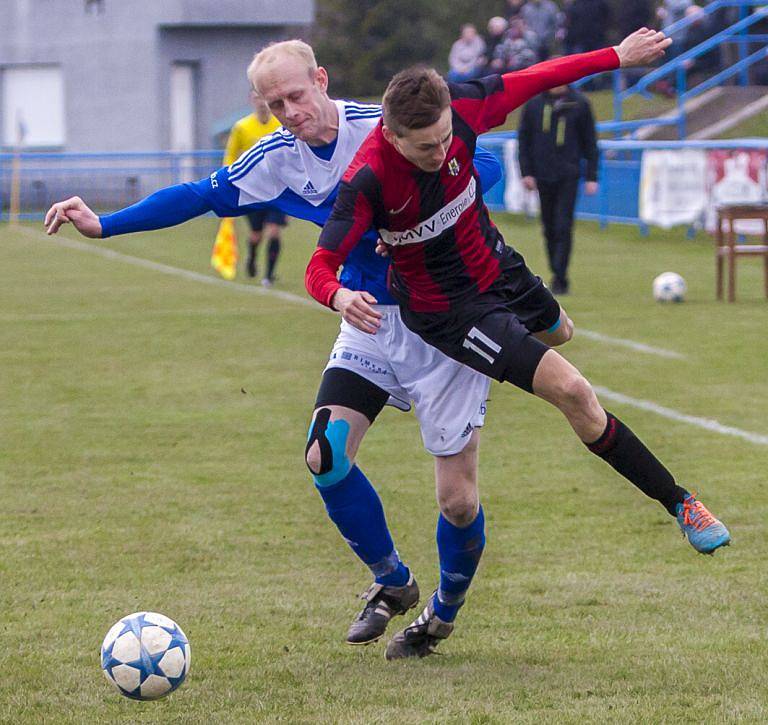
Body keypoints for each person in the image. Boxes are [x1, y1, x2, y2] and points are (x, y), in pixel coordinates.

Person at [43, 40, 503, 652]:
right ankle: (393, 581)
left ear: (321, 79)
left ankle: (443, 612)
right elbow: (196, 197)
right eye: (274, 103)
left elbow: (485, 164)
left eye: (295, 95)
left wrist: (418, 222)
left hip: (439, 319)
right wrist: (106, 222)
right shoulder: (276, 157)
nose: (289, 111)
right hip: (366, 323)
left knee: (458, 500)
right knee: (325, 455)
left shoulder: (381, 131)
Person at [305, 29, 731, 660]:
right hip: (450, 314)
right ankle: (682, 503)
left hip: (500, 268)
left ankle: (515, 371)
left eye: (447, 137)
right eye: (425, 147)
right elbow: (321, 261)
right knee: (573, 392)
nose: (441, 151)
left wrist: (616, 56)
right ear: (392, 137)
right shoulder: (368, 179)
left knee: (563, 334)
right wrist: (338, 296)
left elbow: (542, 75)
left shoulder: (465, 104)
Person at [517, 79, 599, 294]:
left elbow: (590, 142)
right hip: (543, 175)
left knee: (564, 225)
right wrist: (526, 172)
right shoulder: (534, 105)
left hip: (568, 175)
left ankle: (560, 277)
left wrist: (592, 176)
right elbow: (524, 140)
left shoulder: (579, 104)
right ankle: (555, 268)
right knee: (549, 227)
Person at [222, 91, 287, 284]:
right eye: (257, 98)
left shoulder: (280, 125)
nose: (261, 103)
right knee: (256, 235)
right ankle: (251, 257)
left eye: (264, 98)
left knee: (274, 231)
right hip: (253, 190)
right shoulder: (242, 127)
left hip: (277, 190)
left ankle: (268, 275)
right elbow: (231, 156)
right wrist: (230, 182)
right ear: (251, 101)